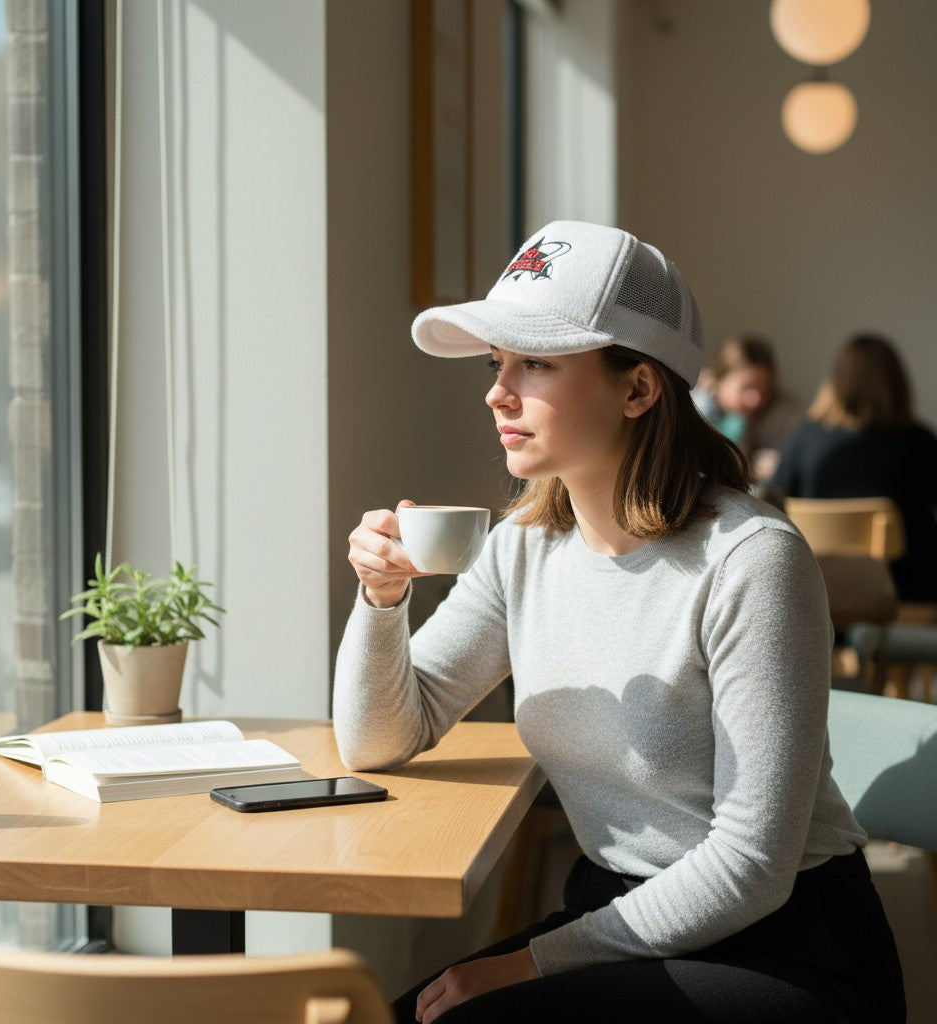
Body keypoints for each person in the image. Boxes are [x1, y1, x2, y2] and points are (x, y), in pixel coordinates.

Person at [334, 221, 905, 1024]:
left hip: (785, 944)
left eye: (535, 363)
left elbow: (751, 866)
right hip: (623, 915)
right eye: (498, 363)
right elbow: (379, 739)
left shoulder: (751, 561)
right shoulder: (522, 548)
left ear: (638, 389)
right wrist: (381, 599)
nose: (496, 392)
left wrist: (531, 964)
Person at [769, 332, 937, 603]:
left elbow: (773, 496)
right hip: (905, 589)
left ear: (836, 381)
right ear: (897, 383)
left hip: (818, 589)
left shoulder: (807, 436)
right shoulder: (919, 442)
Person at [692, 334, 803, 482]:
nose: (756, 400)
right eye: (747, 388)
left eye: (764, 390)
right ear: (720, 379)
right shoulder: (697, 409)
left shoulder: (778, 411)